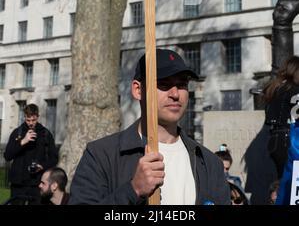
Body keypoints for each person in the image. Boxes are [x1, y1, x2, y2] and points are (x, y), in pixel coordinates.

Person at [69, 49, 231, 205]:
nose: (175, 94)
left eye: (182, 85)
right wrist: (133, 190)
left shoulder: (209, 163)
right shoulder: (101, 155)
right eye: (163, 84)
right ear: (138, 90)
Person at [4, 103, 58, 204]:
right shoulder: (17, 133)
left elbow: (54, 158)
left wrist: (42, 166)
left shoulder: (45, 134)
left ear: (37, 117)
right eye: (28, 120)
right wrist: (22, 142)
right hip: (18, 184)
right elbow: (7, 156)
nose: (31, 123)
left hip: (37, 184)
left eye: (33, 120)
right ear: (24, 117)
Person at [263, 56, 299, 178]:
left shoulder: (273, 88)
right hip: (289, 140)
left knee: (283, 180)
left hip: (274, 140)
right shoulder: (294, 90)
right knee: (291, 182)